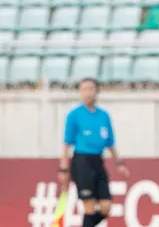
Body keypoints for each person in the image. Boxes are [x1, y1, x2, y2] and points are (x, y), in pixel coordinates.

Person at [59, 77, 130, 227]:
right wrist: (64, 169)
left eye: (90, 89)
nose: (87, 93)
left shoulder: (103, 116)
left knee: (106, 207)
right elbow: (66, 145)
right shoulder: (74, 115)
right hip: (82, 162)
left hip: (98, 161)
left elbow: (110, 143)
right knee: (89, 207)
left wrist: (119, 163)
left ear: (97, 91)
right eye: (83, 90)